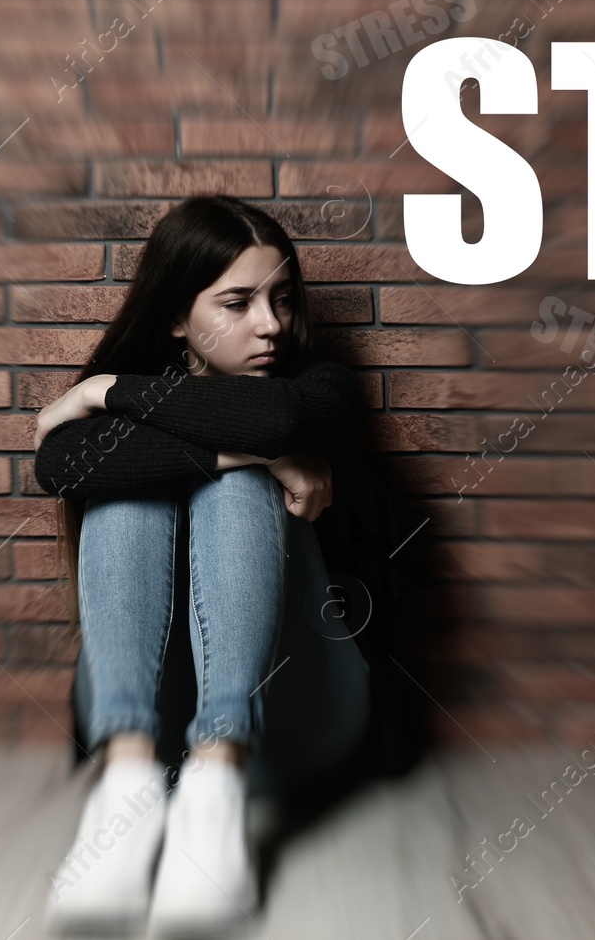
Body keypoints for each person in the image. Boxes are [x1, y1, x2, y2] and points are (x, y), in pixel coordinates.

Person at [30, 195, 410, 936]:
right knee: (125, 484)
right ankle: (127, 787)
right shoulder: (166, 405)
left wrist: (104, 390)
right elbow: (59, 463)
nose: (271, 324)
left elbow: (277, 419)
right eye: (237, 303)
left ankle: (220, 779)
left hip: (301, 711)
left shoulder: (319, 387)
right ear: (176, 316)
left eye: (281, 298)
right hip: (146, 721)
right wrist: (269, 457)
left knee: (230, 482)